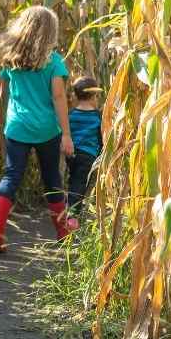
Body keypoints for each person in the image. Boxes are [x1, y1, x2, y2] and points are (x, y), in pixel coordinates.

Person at [0, 6, 74, 254]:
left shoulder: (11, 59)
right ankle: (63, 234)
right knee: (52, 179)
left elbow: (5, 90)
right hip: (46, 129)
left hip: (17, 127)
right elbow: (58, 97)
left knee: (11, 176)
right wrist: (66, 133)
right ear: (50, 32)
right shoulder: (54, 62)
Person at [65, 75, 103, 227]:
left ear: (76, 95)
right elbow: (101, 138)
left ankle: (72, 210)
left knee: (74, 180)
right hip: (88, 155)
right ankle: (72, 216)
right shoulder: (97, 117)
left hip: (72, 154)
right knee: (80, 183)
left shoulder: (71, 115)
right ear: (94, 96)